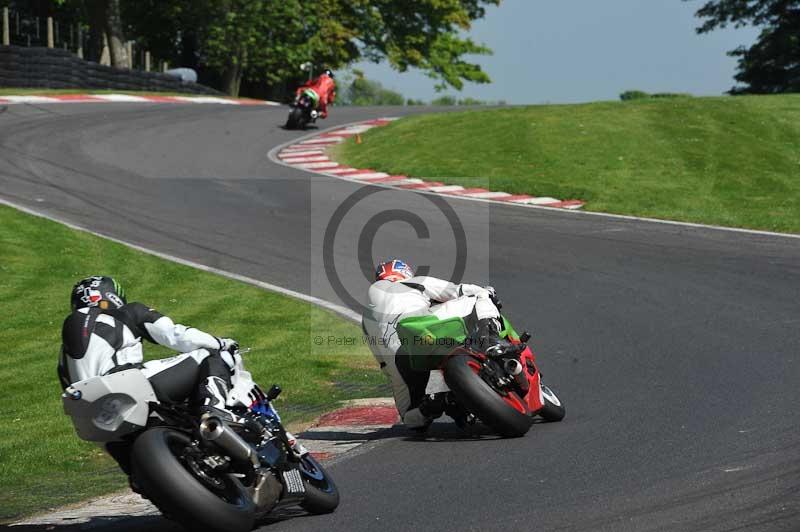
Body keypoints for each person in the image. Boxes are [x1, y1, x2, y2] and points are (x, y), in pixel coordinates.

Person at [58, 276, 242, 422]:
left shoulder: (63, 355)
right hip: (125, 385)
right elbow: (177, 336)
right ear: (113, 296)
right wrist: (221, 343)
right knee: (210, 354)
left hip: (93, 415)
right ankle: (216, 411)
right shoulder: (126, 312)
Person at [362, 259, 503, 430]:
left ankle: (429, 407)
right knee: (480, 295)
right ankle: (491, 342)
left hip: (398, 358)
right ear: (404, 272)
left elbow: (382, 362)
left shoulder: (365, 319)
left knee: (408, 417)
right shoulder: (413, 282)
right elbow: (458, 290)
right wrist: (488, 292)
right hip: (421, 326)